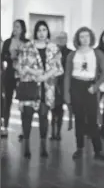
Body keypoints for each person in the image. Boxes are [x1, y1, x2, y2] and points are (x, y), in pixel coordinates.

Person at [63, 26, 104, 162]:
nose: (84, 39)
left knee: (92, 120)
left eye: (87, 36)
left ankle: (98, 151)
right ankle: (79, 148)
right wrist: (66, 95)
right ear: (78, 38)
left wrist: (95, 87)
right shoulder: (72, 55)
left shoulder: (97, 54)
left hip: (90, 87)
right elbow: (67, 75)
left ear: (91, 38)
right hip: (76, 86)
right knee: (78, 119)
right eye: (82, 36)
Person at [17, 20, 63, 159]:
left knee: (43, 118)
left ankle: (43, 147)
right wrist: (33, 72)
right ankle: (26, 147)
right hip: (29, 86)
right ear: (35, 32)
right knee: (27, 117)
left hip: (46, 88)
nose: (42, 33)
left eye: (44, 30)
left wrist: (45, 76)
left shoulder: (54, 48)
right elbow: (20, 68)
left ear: (47, 31)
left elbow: (59, 69)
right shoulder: (27, 47)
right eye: (39, 30)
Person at [1, 20, 30, 138]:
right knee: (7, 101)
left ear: (22, 29)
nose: (15, 28)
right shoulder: (8, 42)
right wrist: (10, 57)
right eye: (14, 26)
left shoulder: (27, 42)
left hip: (23, 75)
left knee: (23, 102)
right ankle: (5, 127)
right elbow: (2, 56)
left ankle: (24, 130)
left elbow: (30, 57)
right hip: (9, 74)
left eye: (18, 26)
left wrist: (21, 57)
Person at [50, 31, 72, 141]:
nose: (61, 39)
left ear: (67, 39)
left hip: (64, 85)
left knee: (60, 109)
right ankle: (52, 131)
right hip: (53, 82)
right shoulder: (52, 51)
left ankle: (58, 132)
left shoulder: (71, 53)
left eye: (63, 38)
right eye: (59, 37)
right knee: (53, 109)